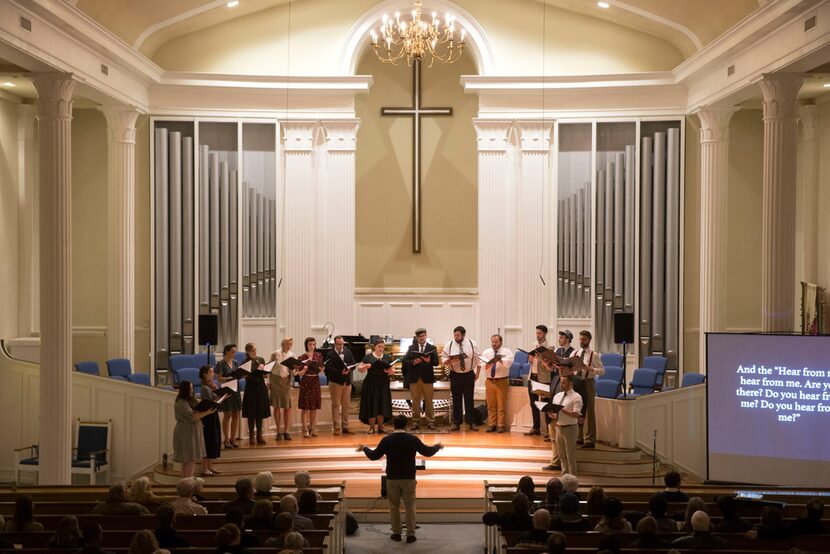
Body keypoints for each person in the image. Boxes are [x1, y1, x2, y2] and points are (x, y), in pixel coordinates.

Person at [357, 415, 443, 543]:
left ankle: (396, 533)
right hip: (408, 477)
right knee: (410, 507)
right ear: (406, 425)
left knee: (394, 506)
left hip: (392, 478)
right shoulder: (412, 439)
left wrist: (364, 448)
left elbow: (374, 456)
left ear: (394, 425)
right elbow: (427, 452)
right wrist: (437, 447)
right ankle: (411, 534)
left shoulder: (387, 440)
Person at [441, 326, 481, 431]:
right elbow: (443, 358)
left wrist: (478, 373)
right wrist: (447, 361)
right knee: (456, 399)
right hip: (455, 374)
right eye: (455, 335)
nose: (456, 337)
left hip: (468, 374)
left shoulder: (472, 344)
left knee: (469, 399)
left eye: (458, 335)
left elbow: (478, 359)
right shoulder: (449, 344)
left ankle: (471, 422)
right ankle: (456, 423)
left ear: (463, 335)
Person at [173, 380, 215, 477]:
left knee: (190, 459)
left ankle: (186, 482)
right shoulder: (181, 402)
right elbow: (192, 416)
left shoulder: (190, 400)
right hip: (185, 431)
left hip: (192, 430)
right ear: (185, 390)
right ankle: (187, 483)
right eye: (190, 388)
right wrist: (208, 412)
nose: (192, 390)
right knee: (189, 459)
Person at [401, 328, 439, 431]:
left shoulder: (432, 348)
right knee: (415, 401)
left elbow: (436, 362)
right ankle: (416, 422)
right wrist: (414, 361)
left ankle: (431, 422)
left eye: (423, 336)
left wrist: (429, 361)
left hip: (427, 378)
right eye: (419, 336)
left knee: (429, 401)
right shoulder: (411, 347)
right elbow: (405, 361)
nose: (422, 338)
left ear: (426, 336)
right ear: (417, 338)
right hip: (415, 378)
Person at [571, 330, 604, 448]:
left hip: (588, 382)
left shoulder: (593, 354)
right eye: (580, 339)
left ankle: (589, 439)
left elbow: (602, 371)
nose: (581, 341)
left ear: (589, 340)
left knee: (589, 411)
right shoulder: (575, 353)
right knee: (577, 409)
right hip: (576, 382)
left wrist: (591, 369)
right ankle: (578, 436)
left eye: (583, 339)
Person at [358, 337, 394, 434]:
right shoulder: (368, 357)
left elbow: (393, 371)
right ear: (375, 347)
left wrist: (388, 371)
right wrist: (366, 366)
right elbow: (360, 368)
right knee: (371, 404)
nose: (381, 349)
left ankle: (381, 427)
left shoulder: (387, 357)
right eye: (379, 347)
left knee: (382, 404)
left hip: (383, 384)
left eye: (382, 347)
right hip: (371, 383)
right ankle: (371, 427)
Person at [550, 375, 583, 475]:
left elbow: (576, 414)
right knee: (561, 456)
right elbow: (556, 413)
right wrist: (552, 414)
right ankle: (564, 476)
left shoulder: (576, 397)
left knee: (570, 456)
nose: (561, 385)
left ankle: (572, 478)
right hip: (559, 427)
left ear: (570, 384)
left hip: (570, 428)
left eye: (564, 383)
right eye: (561, 382)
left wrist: (562, 409)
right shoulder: (557, 396)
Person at [481, 334, 514, 433]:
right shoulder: (487, 352)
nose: (494, 344)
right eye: (492, 342)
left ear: (501, 342)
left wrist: (500, 360)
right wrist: (487, 364)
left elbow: (509, 363)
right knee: (490, 405)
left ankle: (500, 425)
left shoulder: (506, 351)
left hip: (501, 381)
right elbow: (481, 365)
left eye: (496, 342)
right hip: (490, 381)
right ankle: (492, 424)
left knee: (501, 405)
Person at [325, 335, 356, 435]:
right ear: (335, 344)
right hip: (335, 382)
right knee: (336, 405)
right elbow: (328, 369)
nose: (341, 346)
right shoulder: (330, 354)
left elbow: (353, 364)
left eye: (342, 344)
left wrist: (349, 368)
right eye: (338, 344)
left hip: (347, 382)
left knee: (346, 405)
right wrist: (340, 372)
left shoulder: (348, 352)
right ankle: (336, 427)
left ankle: (345, 427)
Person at [241, 342, 270, 445]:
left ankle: (259, 436)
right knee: (251, 414)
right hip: (251, 389)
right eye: (253, 351)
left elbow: (265, 373)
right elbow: (246, 377)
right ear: (248, 352)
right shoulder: (245, 362)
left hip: (261, 387)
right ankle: (251, 437)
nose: (255, 352)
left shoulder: (260, 359)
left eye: (255, 350)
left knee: (260, 412)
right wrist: (256, 372)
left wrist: (266, 373)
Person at [524, 324, 550, 437]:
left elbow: (549, 365)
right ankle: (536, 427)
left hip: (543, 378)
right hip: (533, 376)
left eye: (539, 333)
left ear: (545, 333)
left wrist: (540, 358)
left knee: (544, 404)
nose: (537, 336)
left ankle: (549, 430)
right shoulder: (534, 345)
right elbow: (531, 361)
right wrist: (530, 359)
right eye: (536, 333)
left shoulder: (550, 347)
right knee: (533, 403)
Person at [216, 343, 242, 449]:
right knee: (227, 415)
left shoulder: (235, 362)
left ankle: (233, 438)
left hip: (236, 389)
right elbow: (219, 379)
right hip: (227, 389)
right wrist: (231, 377)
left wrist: (239, 375)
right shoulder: (221, 363)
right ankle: (226, 439)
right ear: (226, 351)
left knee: (236, 414)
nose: (234, 354)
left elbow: (238, 374)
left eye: (235, 352)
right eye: (232, 351)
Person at [269, 337, 295, 440]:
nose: (289, 346)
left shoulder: (292, 355)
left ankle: (286, 431)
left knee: (287, 407)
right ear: (282, 344)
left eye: (290, 344)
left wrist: (298, 369)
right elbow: (269, 368)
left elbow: (294, 372)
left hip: (286, 382)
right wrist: (268, 382)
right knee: (277, 406)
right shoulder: (275, 354)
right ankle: (279, 431)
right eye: (287, 344)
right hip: (275, 381)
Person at [296, 337, 323, 438]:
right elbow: (298, 374)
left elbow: (321, 369)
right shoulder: (301, 357)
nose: (312, 346)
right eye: (310, 344)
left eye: (313, 344)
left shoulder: (318, 355)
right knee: (306, 408)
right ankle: (305, 430)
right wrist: (304, 369)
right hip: (306, 381)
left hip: (315, 381)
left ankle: (312, 429)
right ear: (306, 345)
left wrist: (321, 368)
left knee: (314, 407)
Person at [199, 365, 222, 475]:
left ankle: (210, 466)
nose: (213, 374)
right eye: (211, 372)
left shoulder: (212, 385)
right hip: (207, 416)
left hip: (213, 414)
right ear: (205, 374)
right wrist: (219, 395)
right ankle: (204, 468)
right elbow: (211, 400)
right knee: (208, 441)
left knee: (214, 440)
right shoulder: (204, 387)